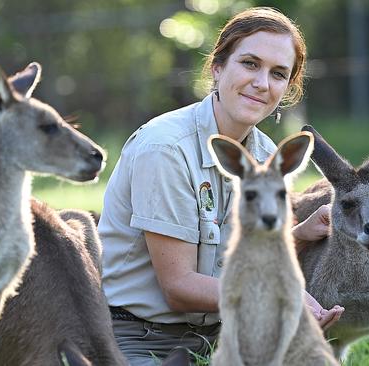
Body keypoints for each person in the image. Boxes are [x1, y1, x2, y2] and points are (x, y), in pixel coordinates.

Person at [99, 7, 343, 365]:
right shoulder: (166, 149)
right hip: (143, 336)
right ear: (217, 67)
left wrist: (299, 234)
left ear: (287, 89)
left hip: (225, 331)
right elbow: (179, 287)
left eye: (278, 73)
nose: (262, 82)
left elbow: (229, 253)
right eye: (249, 63)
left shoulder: (262, 154)